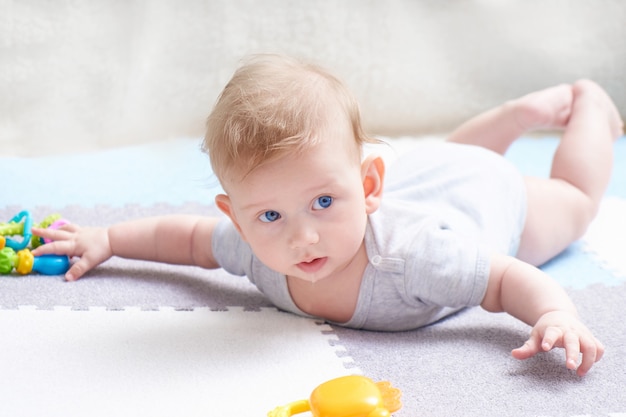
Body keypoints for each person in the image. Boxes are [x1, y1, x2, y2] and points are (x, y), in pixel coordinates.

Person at [33, 54, 623, 377]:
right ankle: (511, 118)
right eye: (268, 215)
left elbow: (500, 279)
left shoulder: (414, 257)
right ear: (236, 218)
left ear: (367, 187)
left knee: (573, 200)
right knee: (448, 158)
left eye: (322, 203)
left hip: (484, 200)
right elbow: (184, 239)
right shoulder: (256, 249)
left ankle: (589, 105)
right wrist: (107, 236)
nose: (302, 236)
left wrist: (554, 312)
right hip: (426, 169)